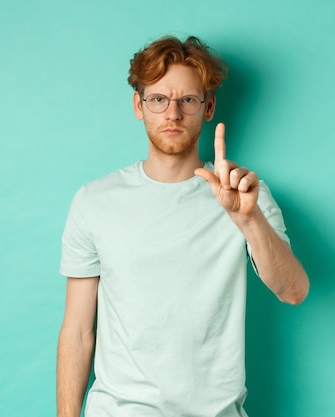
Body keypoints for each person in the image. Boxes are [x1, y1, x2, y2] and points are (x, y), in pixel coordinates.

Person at [56, 35, 309, 417]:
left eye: (187, 100)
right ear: (139, 106)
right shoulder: (94, 201)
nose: (172, 114)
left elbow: (294, 292)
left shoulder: (246, 195)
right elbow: (77, 330)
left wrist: (247, 219)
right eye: (158, 99)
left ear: (208, 109)